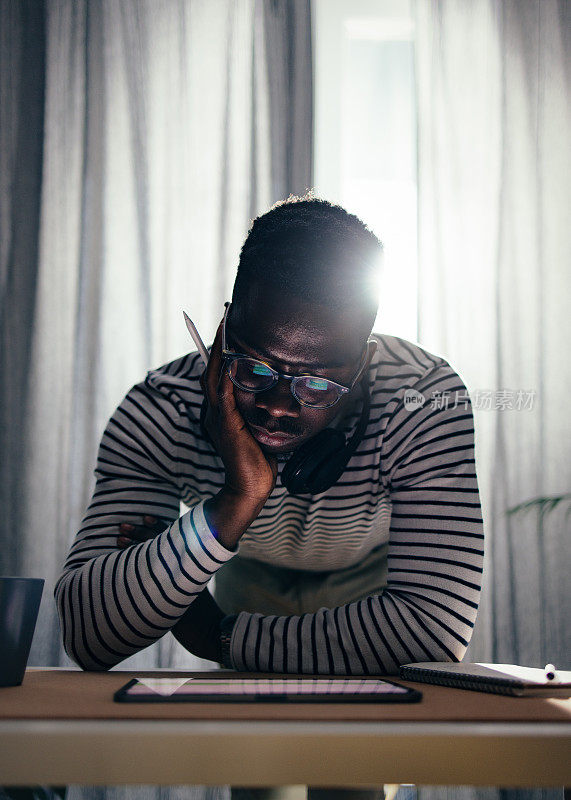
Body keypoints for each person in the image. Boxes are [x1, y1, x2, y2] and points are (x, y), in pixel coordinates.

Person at [56, 196, 484, 800]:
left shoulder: (424, 399)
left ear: (362, 362)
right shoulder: (158, 408)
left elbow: (430, 630)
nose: (279, 406)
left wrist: (218, 637)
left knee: (355, 781)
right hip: (246, 573)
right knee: (261, 774)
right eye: (253, 367)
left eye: (317, 381)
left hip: (363, 584)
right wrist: (236, 500)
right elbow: (89, 631)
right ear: (225, 327)